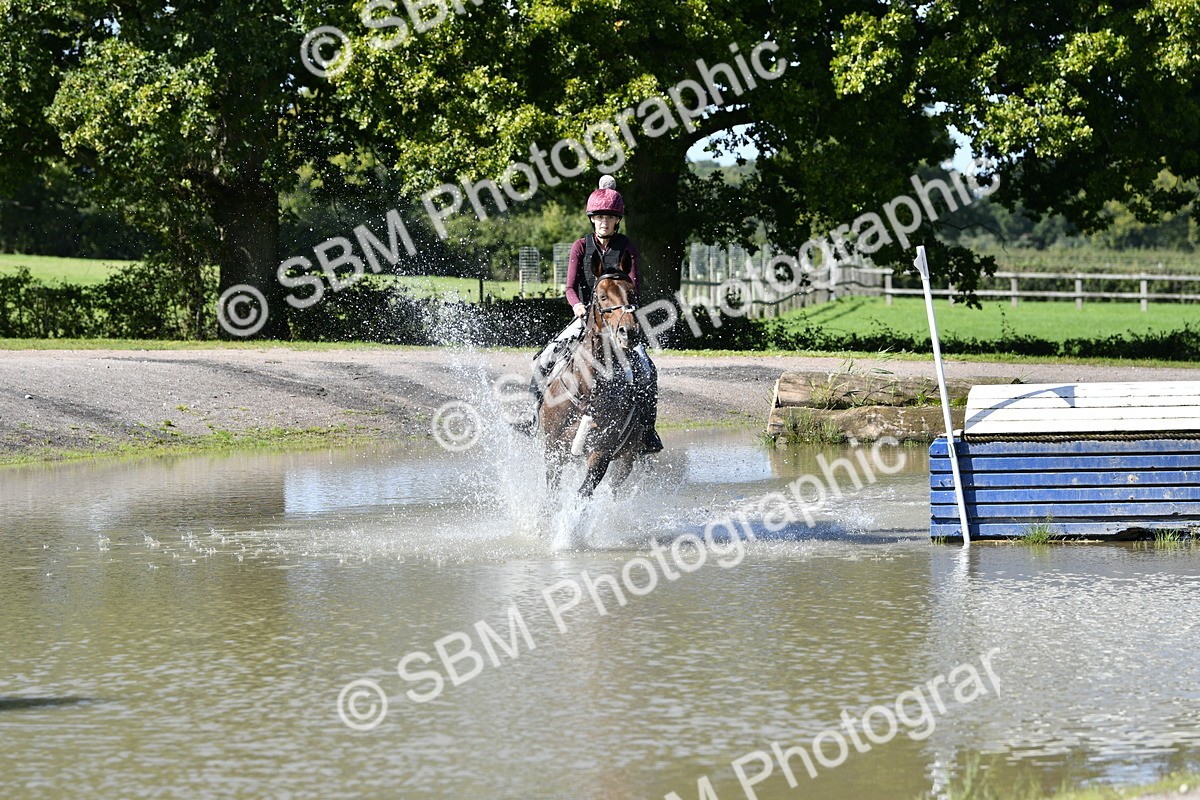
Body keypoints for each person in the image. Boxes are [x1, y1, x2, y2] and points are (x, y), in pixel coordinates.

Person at [518, 175, 663, 453]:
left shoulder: (627, 248)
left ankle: (647, 431)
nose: (603, 222)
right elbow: (570, 287)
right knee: (545, 358)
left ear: (617, 220)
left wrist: (623, 311)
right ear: (592, 219)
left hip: (619, 320)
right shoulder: (580, 247)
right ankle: (528, 414)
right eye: (598, 217)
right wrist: (577, 306)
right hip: (585, 319)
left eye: (609, 217)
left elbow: (634, 287)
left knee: (646, 369)